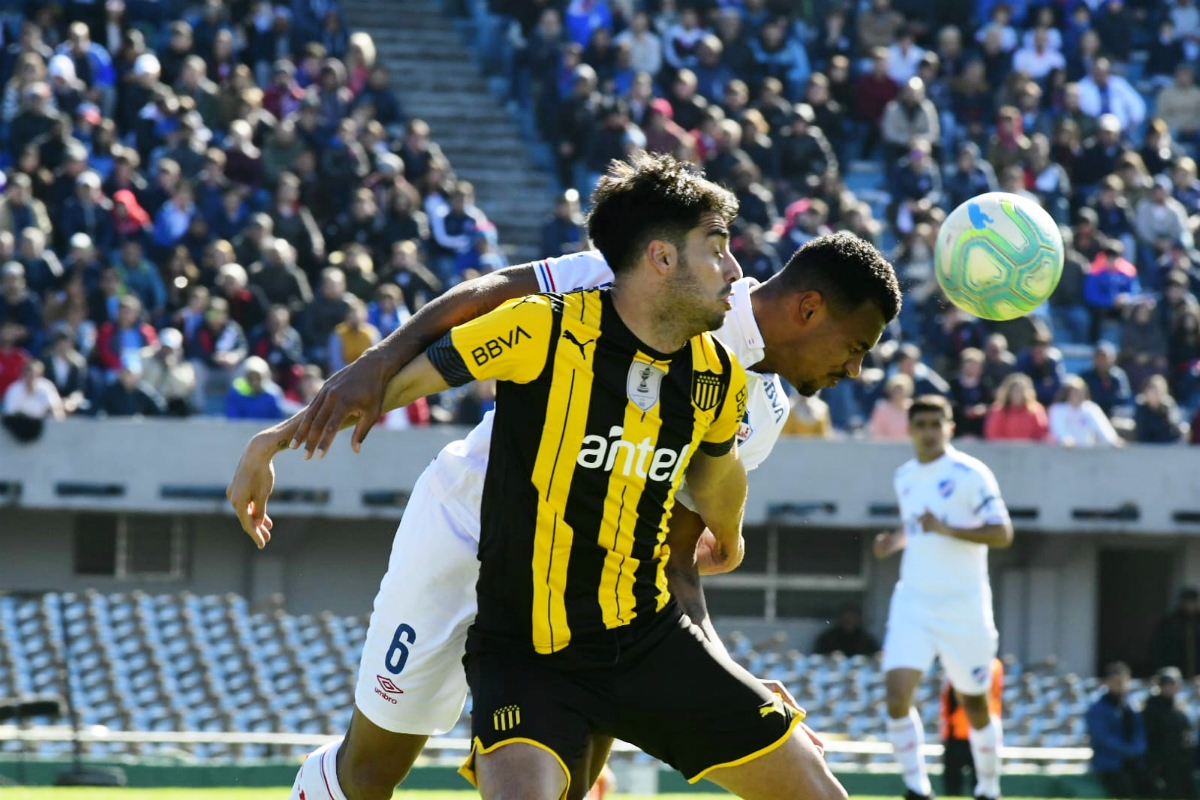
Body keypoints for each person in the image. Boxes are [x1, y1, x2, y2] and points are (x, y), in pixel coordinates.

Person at [229, 165, 900, 799]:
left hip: (589, 606)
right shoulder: (636, 273)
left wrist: (723, 669)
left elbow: (673, 556)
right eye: (856, 347)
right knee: (374, 768)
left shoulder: (756, 408)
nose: (858, 370)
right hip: (462, 532)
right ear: (811, 310)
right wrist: (370, 367)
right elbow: (491, 295)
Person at [873, 395, 1014, 800]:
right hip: (914, 602)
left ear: (950, 427)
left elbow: (1001, 533)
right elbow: (916, 526)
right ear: (910, 430)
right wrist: (893, 541)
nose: (930, 431)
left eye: (938, 423)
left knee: (974, 706)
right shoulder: (905, 476)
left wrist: (947, 528)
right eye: (922, 424)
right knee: (897, 696)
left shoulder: (972, 474)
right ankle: (917, 789)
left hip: (964, 607)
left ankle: (988, 788)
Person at [940, 657, 1004, 798]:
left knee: (963, 783)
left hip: (966, 731)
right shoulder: (994, 664)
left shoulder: (986, 664)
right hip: (967, 730)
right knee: (959, 784)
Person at [1086, 661, 1148, 799]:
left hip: (1134, 762)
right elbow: (1103, 737)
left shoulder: (1132, 706)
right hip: (1109, 764)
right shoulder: (1097, 708)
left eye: (1124, 681)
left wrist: (1137, 748)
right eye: (1116, 681)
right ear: (1106, 682)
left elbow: (1140, 731)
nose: (1121, 685)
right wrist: (1129, 750)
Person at [1143, 666, 1195, 800]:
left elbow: (1186, 730)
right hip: (1162, 761)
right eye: (1168, 683)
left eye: (1175, 683)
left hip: (1181, 759)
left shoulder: (1179, 706)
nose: (1172, 687)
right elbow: (1151, 737)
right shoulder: (1152, 707)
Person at [1151, 588, 1200, 678]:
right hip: (1174, 674)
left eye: (1193, 602)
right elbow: (1159, 649)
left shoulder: (1197, 622)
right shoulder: (1170, 623)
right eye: (1187, 601)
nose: (1190, 605)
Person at [813, 606, 880, 657]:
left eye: (853, 618)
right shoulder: (829, 638)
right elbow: (818, 656)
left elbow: (875, 656)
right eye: (846, 618)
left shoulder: (866, 640)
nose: (849, 621)